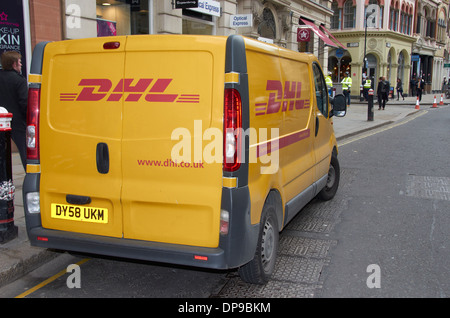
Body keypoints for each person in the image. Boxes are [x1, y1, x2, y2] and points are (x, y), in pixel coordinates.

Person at [0, 51, 27, 170]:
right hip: (17, 121)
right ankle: (31, 174)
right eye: (19, 62)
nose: (21, 65)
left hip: (1, 119)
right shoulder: (19, 80)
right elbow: (24, 103)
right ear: (14, 64)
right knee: (25, 150)